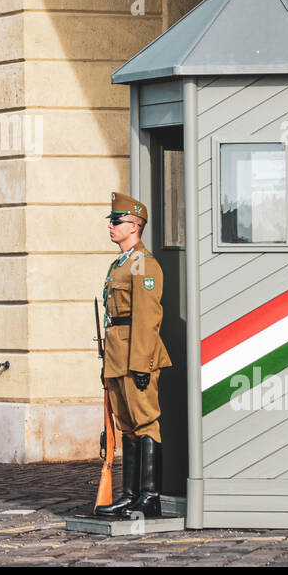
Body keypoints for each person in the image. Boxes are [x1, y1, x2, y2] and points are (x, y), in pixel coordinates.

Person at [94, 192, 171, 518]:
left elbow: (147, 317)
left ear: (135, 225)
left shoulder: (143, 264)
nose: (111, 226)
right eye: (112, 220)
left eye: (117, 221)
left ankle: (149, 497)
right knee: (126, 426)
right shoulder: (120, 264)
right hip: (117, 354)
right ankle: (129, 495)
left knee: (145, 423)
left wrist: (140, 363)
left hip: (137, 355)